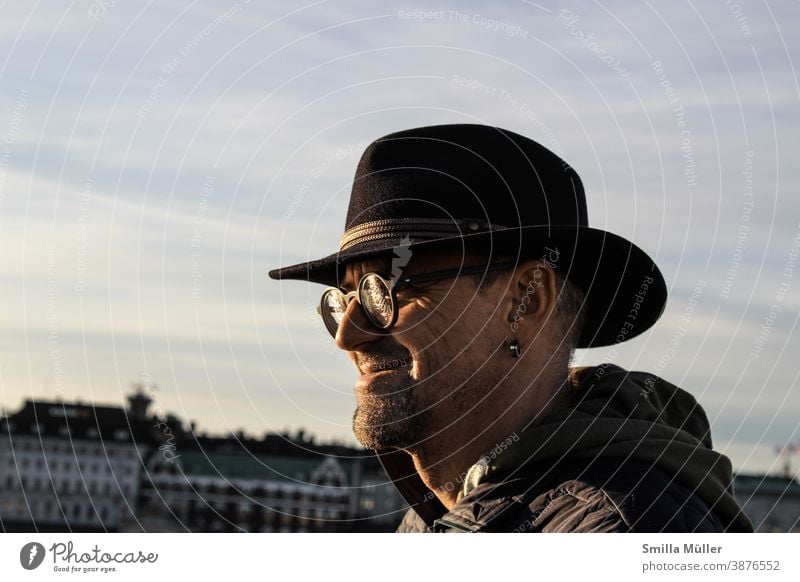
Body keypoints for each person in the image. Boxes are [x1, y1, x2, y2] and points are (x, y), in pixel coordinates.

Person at [269, 124, 753, 532]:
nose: (347, 336)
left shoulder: (622, 530)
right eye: (348, 298)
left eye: (388, 293)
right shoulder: (444, 509)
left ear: (528, 300)